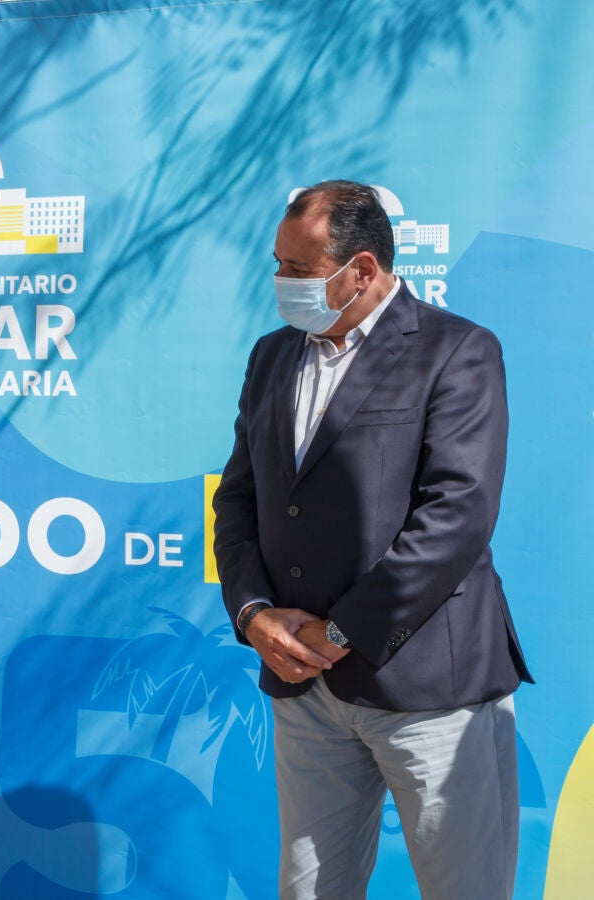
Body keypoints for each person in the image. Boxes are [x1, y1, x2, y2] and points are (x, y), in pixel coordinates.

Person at [212, 180, 532, 898]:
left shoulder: (456, 350)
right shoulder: (272, 356)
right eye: (277, 263)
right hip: (305, 687)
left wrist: (342, 631)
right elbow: (237, 500)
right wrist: (255, 615)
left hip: (431, 687)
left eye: (298, 268)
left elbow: (458, 513)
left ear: (361, 269)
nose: (280, 281)